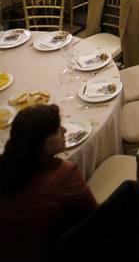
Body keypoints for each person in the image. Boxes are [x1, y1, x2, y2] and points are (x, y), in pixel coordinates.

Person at [0, 104, 97, 262]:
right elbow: (93, 216)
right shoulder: (65, 174)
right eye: (58, 130)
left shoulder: (7, 167)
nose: (65, 130)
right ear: (40, 144)